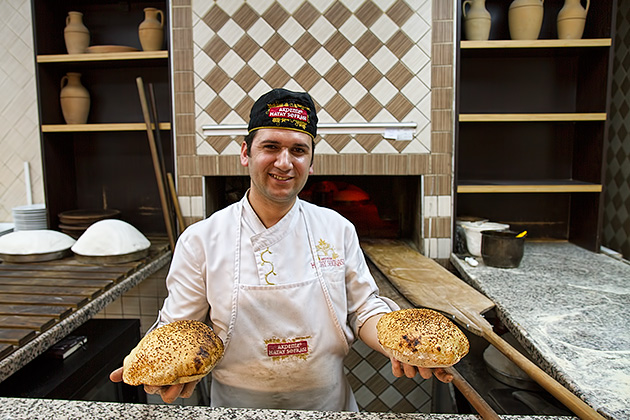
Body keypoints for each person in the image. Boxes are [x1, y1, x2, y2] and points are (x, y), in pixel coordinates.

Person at [111, 88, 452, 410]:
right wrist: (161, 367)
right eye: (271, 147)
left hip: (326, 406)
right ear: (246, 153)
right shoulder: (202, 239)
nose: (285, 163)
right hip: (238, 409)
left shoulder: (336, 229)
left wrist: (406, 344)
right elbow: (179, 330)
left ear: (312, 161)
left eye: (299, 150)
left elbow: (364, 310)